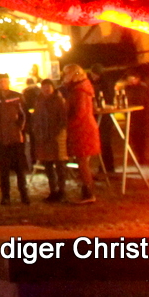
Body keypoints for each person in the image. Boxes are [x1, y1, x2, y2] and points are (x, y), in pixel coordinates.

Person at [0, 72, 29, 205]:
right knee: (3, 170)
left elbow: (24, 115)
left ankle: (24, 195)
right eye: (1, 81)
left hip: (15, 138)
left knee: (20, 169)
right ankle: (5, 196)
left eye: (5, 81)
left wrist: (19, 129)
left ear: (8, 82)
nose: (3, 83)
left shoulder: (17, 97)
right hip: (0, 139)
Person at [61, 64, 100, 204]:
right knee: (83, 162)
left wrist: (68, 126)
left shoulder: (80, 91)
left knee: (83, 162)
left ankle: (88, 193)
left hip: (82, 129)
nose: (64, 76)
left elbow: (80, 113)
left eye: (66, 73)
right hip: (82, 128)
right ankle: (87, 191)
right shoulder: (80, 89)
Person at [29, 77, 67, 202]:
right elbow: (36, 118)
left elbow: (63, 120)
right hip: (43, 137)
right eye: (44, 87)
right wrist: (37, 131)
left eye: (48, 86)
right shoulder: (39, 101)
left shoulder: (59, 101)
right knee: (48, 166)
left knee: (60, 164)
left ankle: (61, 191)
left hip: (56, 137)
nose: (46, 89)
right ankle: (53, 191)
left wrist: (56, 133)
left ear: (53, 87)